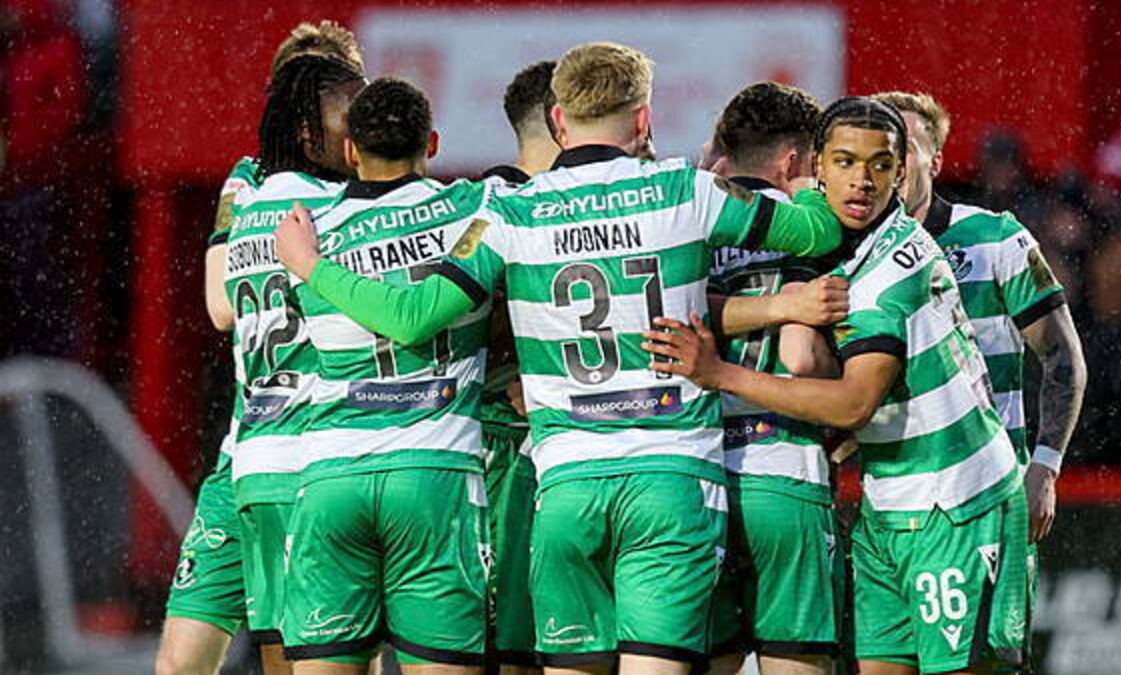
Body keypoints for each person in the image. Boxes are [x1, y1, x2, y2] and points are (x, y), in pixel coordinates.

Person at [274, 41, 845, 675]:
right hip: (669, 478)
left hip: (567, 487)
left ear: (558, 120)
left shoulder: (507, 213)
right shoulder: (685, 189)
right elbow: (817, 231)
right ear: (643, 119)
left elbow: (413, 315)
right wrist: (807, 186)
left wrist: (311, 265)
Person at [642, 97, 1030, 675]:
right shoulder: (841, 253)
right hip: (887, 502)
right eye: (846, 162)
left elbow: (852, 402)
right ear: (816, 165)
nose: (862, 181)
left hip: (958, 499)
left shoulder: (891, 270)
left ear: (901, 174)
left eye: (880, 165)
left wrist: (719, 374)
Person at [158, 24, 365, 675]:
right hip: (247, 449)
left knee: (305, 653)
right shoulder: (250, 180)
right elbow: (220, 306)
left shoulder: (356, 186)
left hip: (318, 449)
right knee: (182, 663)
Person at [281, 77, 492, 675]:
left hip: (331, 478)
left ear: (350, 149)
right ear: (432, 142)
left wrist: (312, 264)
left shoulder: (306, 233)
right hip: (434, 472)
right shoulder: (475, 209)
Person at [873, 91, 1087, 544]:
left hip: (985, 498)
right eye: (878, 147)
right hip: (886, 504)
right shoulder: (850, 254)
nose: (889, 159)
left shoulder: (995, 237)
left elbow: (1063, 356)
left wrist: (1045, 467)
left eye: (905, 146)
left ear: (935, 161)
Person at [703, 82, 843, 675]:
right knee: (795, 659)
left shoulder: (692, 225)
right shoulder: (808, 226)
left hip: (698, 472)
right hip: (782, 464)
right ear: (794, 162)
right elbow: (802, 357)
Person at [478, 59, 557, 675]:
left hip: (567, 450)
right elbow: (434, 319)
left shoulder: (479, 207)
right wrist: (517, 373)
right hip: (508, 450)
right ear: (563, 121)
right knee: (514, 649)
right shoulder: (495, 208)